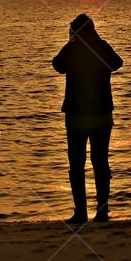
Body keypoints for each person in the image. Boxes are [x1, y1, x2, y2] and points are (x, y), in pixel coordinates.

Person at [52, 14, 123, 224]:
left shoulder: (72, 49)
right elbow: (117, 63)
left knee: (77, 164)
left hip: (77, 116)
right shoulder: (101, 46)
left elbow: (57, 65)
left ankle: (80, 212)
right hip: (101, 114)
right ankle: (102, 212)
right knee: (100, 162)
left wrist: (70, 43)